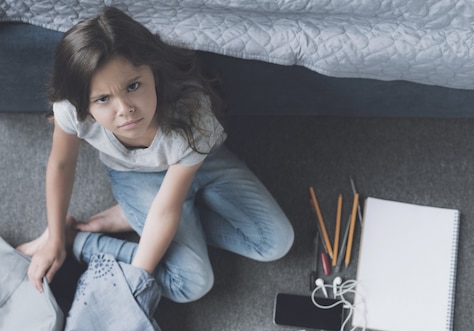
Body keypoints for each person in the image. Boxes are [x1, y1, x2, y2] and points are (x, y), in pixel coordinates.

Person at [18, 7, 294, 303]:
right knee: (192, 284)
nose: (125, 109)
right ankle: (84, 239)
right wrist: (57, 239)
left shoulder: (193, 113)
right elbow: (61, 164)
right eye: (103, 99)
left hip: (200, 162)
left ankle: (134, 216)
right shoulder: (71, 107)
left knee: (276, 242)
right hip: (136, 175)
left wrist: (133, 283)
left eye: (133, 86)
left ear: (153, 70)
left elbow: (166, 208)